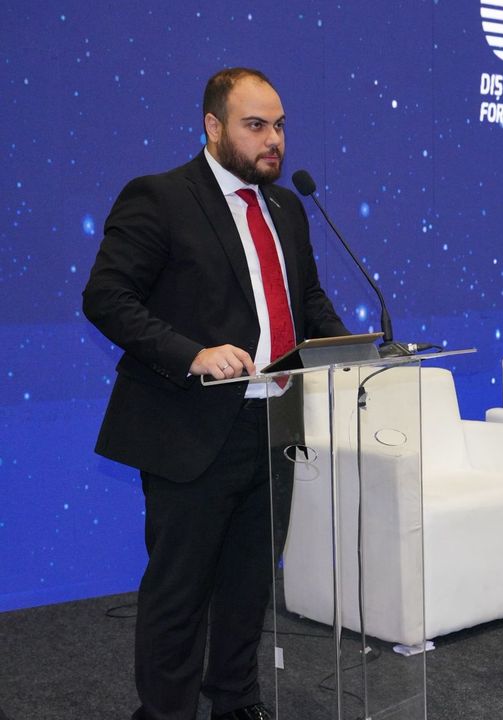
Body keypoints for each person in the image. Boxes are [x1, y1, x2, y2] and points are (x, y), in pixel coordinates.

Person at [82, 68, 349, 720]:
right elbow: (106, 297)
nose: (273, 140)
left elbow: (306, 301)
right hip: (192, 427)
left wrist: (352, 347)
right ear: (213, 126)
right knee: (180, 591)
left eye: (279, 126)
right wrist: (192, 354)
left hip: (275, 424)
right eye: (255, 126)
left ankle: (235, 702)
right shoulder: (160, 197)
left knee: (248, 584)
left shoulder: (286, 208)